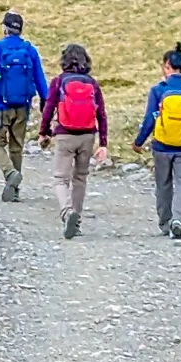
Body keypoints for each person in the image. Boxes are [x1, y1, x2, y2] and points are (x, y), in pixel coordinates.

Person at [132, 44, 181, 239]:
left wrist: (138, 142)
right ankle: (178, 221)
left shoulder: (158, 90)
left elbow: (150, 119)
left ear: (167, 65)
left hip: (162, 146)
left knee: (163, 185)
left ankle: (165, 223)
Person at [38, 42, 108, 238]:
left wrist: (44, 133)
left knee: (61, 179)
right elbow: (101, 113)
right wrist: (103, 143)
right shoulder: (92, 83)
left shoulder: (59, 81)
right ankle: (75, 220)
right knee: (80, 178)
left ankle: (67, 212)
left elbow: (49, 108)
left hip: (65, 135)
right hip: (87, 135)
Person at [0, 10, 45, 203]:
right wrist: (46, 102)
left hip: (2, 104)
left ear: (6, 29)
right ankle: (15, 191)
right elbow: (40, 80)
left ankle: (9, 173)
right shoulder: (29, 50)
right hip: (23, 105)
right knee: (16, 147)